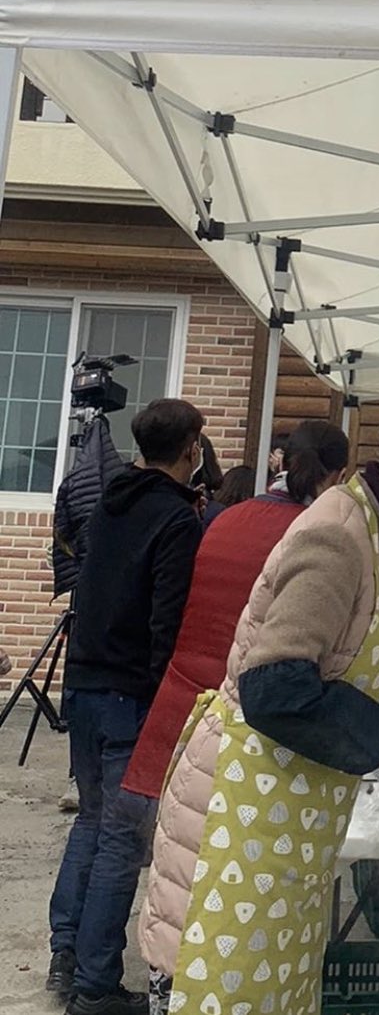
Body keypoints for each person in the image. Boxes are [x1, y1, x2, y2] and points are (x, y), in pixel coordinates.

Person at [139, 396, 379, 1015]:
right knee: (219, 993)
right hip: (242, 807)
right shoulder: (339, 536)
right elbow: (275, 687)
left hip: (287, 825)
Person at [47, 399, 206, 1015]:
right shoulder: (176, 518)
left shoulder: (109, 504)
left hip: (84, 686)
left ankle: (67, 950)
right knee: (121, 840)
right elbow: (168, 621)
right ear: (191, 447)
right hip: (128, 694)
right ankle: (93, 986)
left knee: (92, 820)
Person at [121, 422, 349, 805]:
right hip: (244, 712)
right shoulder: (314, 534)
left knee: (142, 834)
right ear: (341, 476)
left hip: (181, 696)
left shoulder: (228, 517)